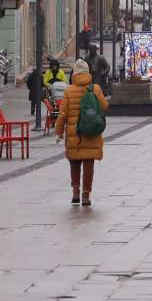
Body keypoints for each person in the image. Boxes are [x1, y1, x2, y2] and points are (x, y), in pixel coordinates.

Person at [55, 59, 109, 207]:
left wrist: (59, 131)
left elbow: (63, 114)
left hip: (74, 134)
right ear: (87, 72)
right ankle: (86, 195)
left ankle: (75, 192)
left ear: (75, 73)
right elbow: (104, 106)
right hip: (91, 132)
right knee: (88, 166)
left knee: (74, 163)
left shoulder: (68, 90)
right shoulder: (95, 88)